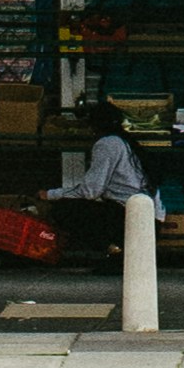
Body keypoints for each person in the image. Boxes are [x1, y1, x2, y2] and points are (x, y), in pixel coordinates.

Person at [42, 101, 151, 256]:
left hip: (131, 216)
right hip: (147, 215)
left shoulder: (107, 144)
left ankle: (114, 251)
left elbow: (90, 191)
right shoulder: (126, 142)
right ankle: (115, 250)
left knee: (64, 210)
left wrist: (51, 194)